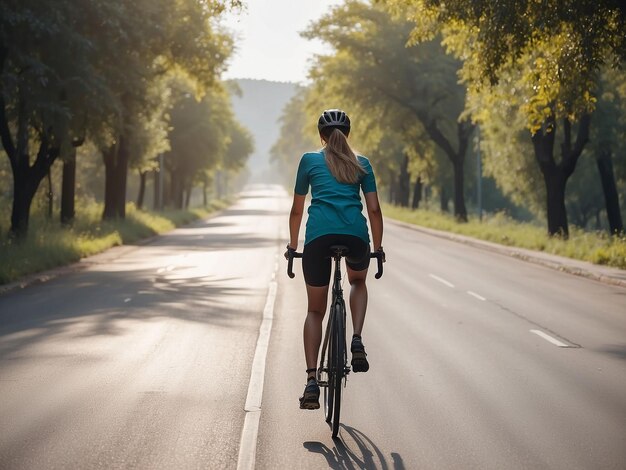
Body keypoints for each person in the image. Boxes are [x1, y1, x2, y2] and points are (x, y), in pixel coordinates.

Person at [286, 109, 384, 410]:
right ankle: (356, 338)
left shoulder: (309, 161)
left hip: (318, 239)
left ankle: (312, 380)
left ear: (321, 136)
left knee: (315, 310)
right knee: (357, 281)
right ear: (348, 134)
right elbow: (375, 210)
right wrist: (377, 248)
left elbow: (297, 210)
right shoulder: (362, 163)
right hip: (355, 236)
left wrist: (292, 246)